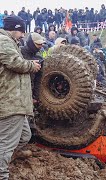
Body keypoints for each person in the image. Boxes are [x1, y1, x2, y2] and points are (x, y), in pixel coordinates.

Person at [0, 15, 41, 180]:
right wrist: (33, 65)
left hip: (17, 102)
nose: (23, 35)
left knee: (25, 136)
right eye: (21, 31)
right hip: (10, 101)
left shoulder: (11, 42)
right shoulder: (3, 41)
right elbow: (15, 63)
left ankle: (5, 158)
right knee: (6, 144)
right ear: (13, 29)